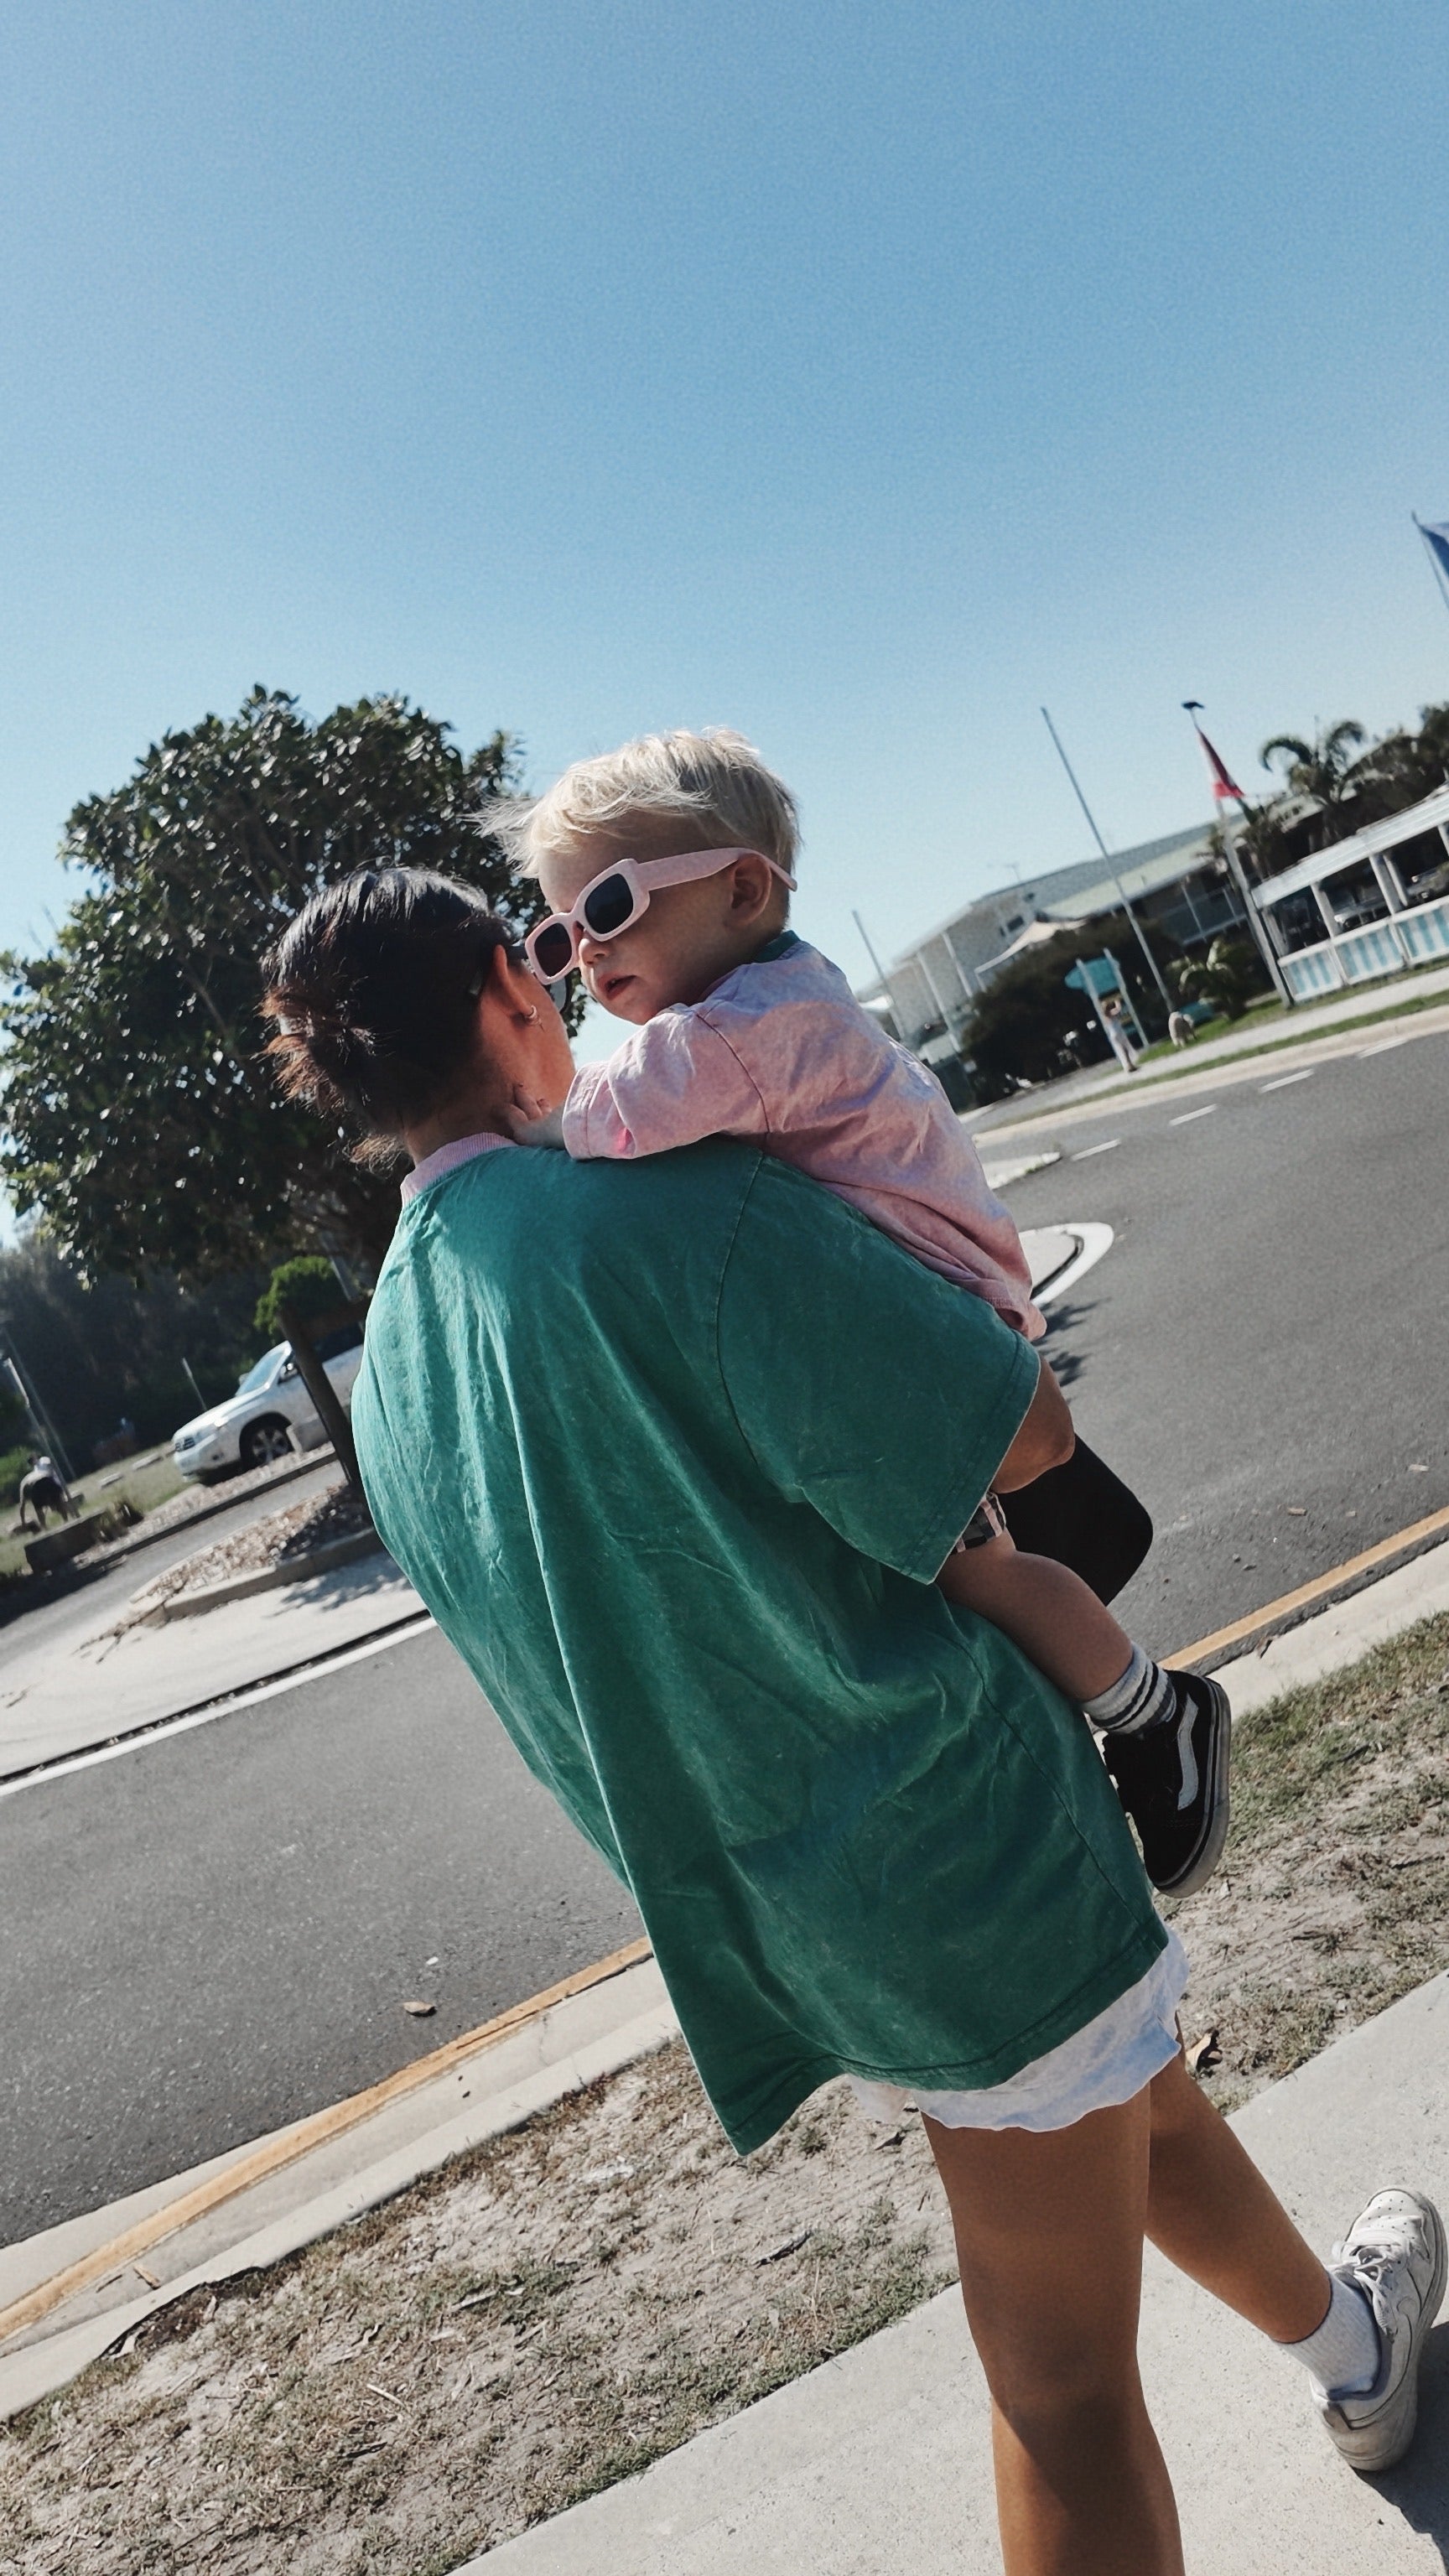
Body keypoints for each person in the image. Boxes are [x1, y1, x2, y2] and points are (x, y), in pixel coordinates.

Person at [263, 866, 1441, 2575]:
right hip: (958, 1858)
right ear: (510, 992)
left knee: (1129, 2100)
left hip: (784, 1903)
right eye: (546, 958)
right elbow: (1016, 1428)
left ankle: (1356, 2349)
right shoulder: (662, 1215)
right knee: (1062, 2389)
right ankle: (1355, 2356)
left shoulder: (402, 1361)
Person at [501, 730, 1224, 1897]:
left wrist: (513, 1127)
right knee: (952, 1574)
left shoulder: (742, 1030)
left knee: (980, 1573)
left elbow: (610, 1119)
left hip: (938, 1336)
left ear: (743, 889)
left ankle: (1154, 1711)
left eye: (611, 906)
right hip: (944, 1316)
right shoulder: (779, 997)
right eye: (554, 935)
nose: (582, 951)